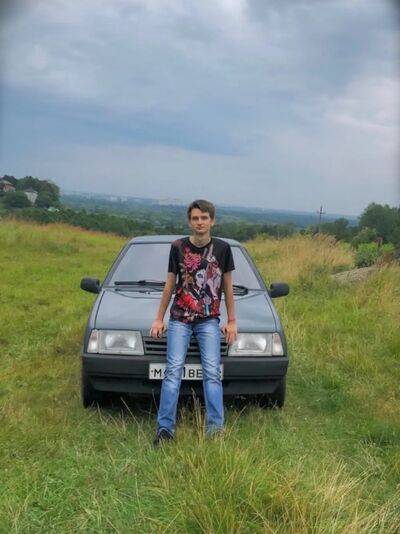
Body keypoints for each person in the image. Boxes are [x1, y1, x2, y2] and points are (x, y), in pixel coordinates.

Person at [150, 199, 237, 447]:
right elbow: (170, 285)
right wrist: (159, 318)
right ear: (189, 222)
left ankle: (215, 431)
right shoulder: (178, 247)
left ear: (212, 221)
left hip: (208, 321)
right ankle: (165, 430)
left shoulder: (223, 249)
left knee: (212, 373)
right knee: (173, 371)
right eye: (195, 218)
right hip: (180, 319)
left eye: (204, 218)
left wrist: (232, 320)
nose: (200, 222)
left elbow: (227, 287)